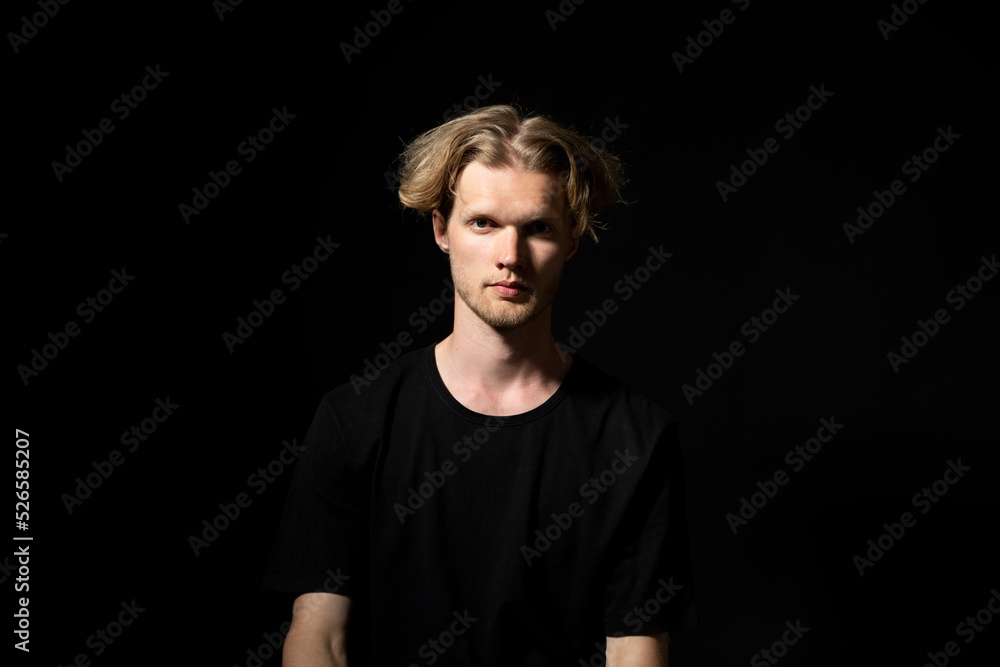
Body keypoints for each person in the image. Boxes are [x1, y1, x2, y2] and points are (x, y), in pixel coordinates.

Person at [263, 104, 697, 666]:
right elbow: (319, 635)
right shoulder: (355, 418)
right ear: (442, 229)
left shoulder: (634, 437)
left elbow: (635, 650)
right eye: (483, 223)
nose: (509, 257)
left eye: (538, 228)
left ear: (570, 241)